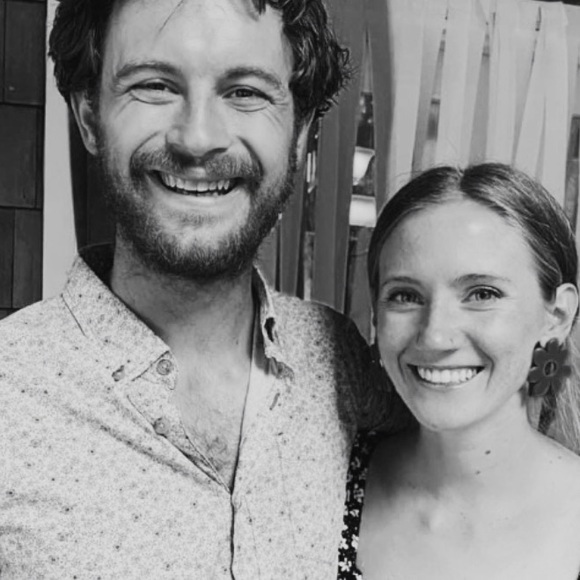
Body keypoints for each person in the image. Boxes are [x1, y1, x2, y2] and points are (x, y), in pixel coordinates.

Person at [0, 0, 388, 578]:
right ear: (88, 118)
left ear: (301, 132)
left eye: (245, 92)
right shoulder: (10, 395)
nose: (199, 138)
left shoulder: (342, 362)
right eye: (155, 86)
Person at [337, 163, 580, 580]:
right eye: (405, 296)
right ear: (376, 313)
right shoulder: (323, 479)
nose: (435, 336)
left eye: (482, 293)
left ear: (557, 315)